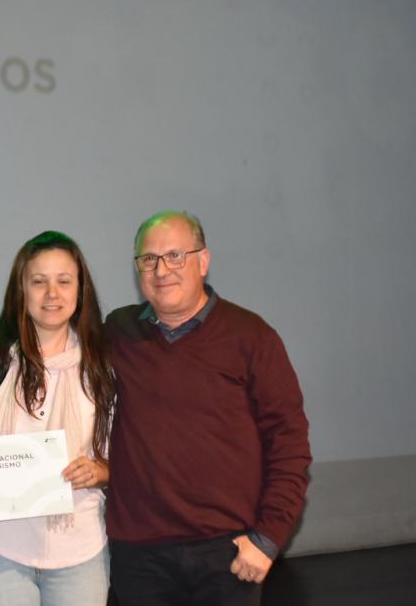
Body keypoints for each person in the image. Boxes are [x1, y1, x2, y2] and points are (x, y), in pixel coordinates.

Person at [105, 210, 311, 605]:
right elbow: (53, 334)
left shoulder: (252, 337)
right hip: (138, 555)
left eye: (175, 255)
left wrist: (268, 539)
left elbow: (290, 444)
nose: (161, 269)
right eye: (148, 259)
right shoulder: (118, 331)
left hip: (227, 553)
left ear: (203, 261)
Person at [0, 231, 115, 606]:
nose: (52, 294)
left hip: (80, 548)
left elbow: (129, 453)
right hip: (1, 547)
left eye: (64, 281)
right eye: (39, 282)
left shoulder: (105, 364)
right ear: (21, 290)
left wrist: (101, 471)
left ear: (80, 289)